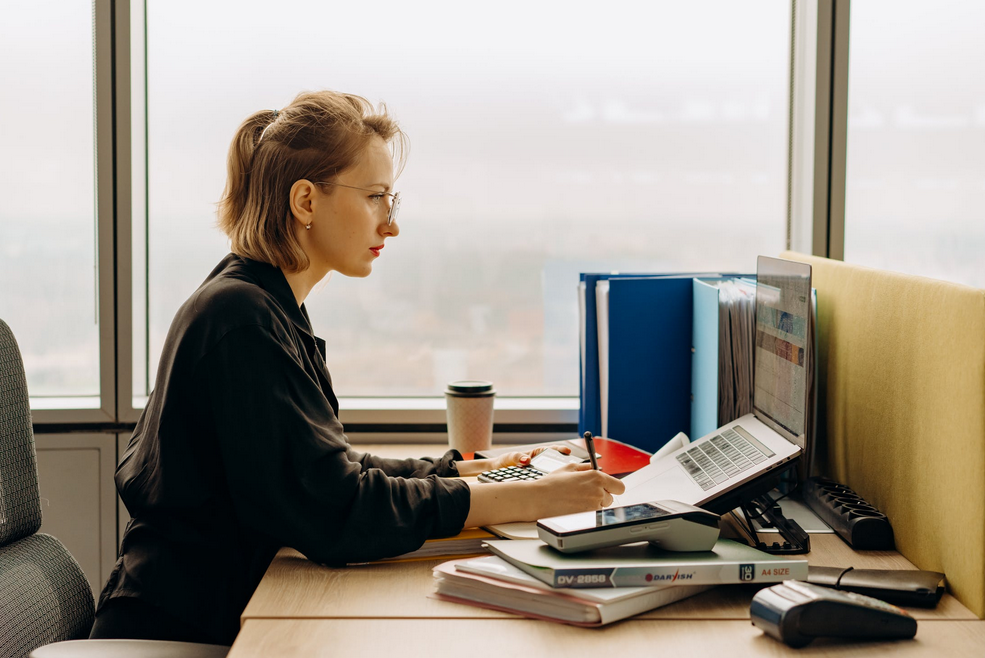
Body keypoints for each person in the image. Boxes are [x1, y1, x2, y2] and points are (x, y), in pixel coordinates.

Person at [90, 90, 624, 646]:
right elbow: (337, 510)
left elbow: (330, 470)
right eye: (374, 197)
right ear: (305, 201)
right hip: (181, 631)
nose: (390, 226)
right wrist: (528, 499)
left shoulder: (265, 306)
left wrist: (480, 469)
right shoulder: (242, 319)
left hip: (215, 612)